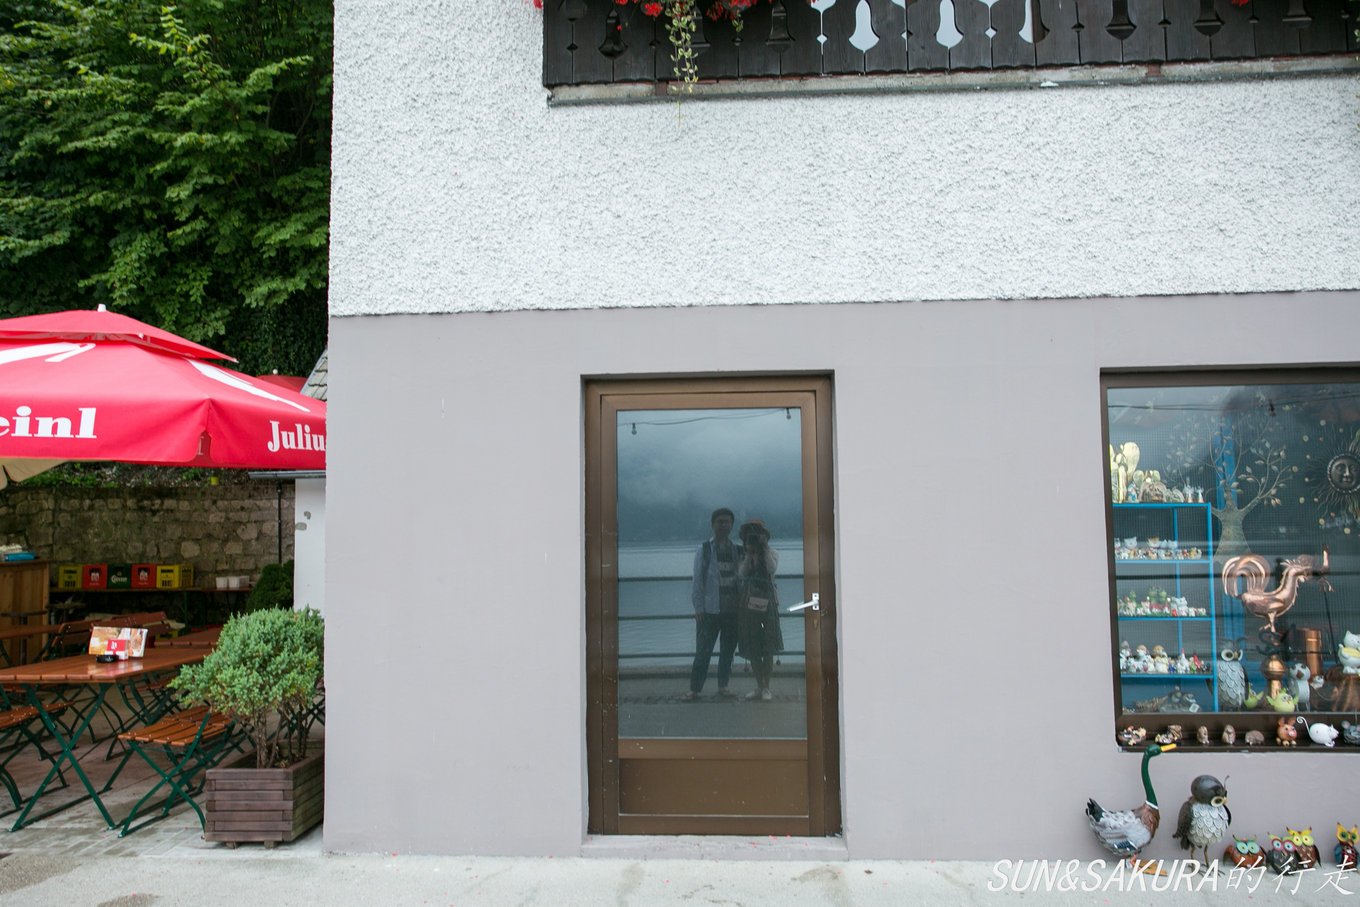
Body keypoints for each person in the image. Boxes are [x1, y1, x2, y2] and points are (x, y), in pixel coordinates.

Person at [682, 508, 742, 701]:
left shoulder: (737, 550)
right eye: (720, 522)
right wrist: (698, 608)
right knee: (703, 652)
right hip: (709, 611)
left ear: (732, 525)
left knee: (727, 652)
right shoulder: (704, 550)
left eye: (727, 522)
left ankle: (723, 687)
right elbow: (697, 581)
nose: (723, 525)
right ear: (713, 524)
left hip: (732, 611)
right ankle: (694, 689)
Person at [736, 519, 784, 702]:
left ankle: (767, 687)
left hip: (768, 604)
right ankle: (759, 686)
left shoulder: (772, 553)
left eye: (758, 535)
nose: (754, 539)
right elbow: (742, 574)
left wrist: (763, 550)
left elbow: (771, 568)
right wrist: (750, 554)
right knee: (754, 647)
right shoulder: (745, 554)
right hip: (749, 604)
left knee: (768, 647)